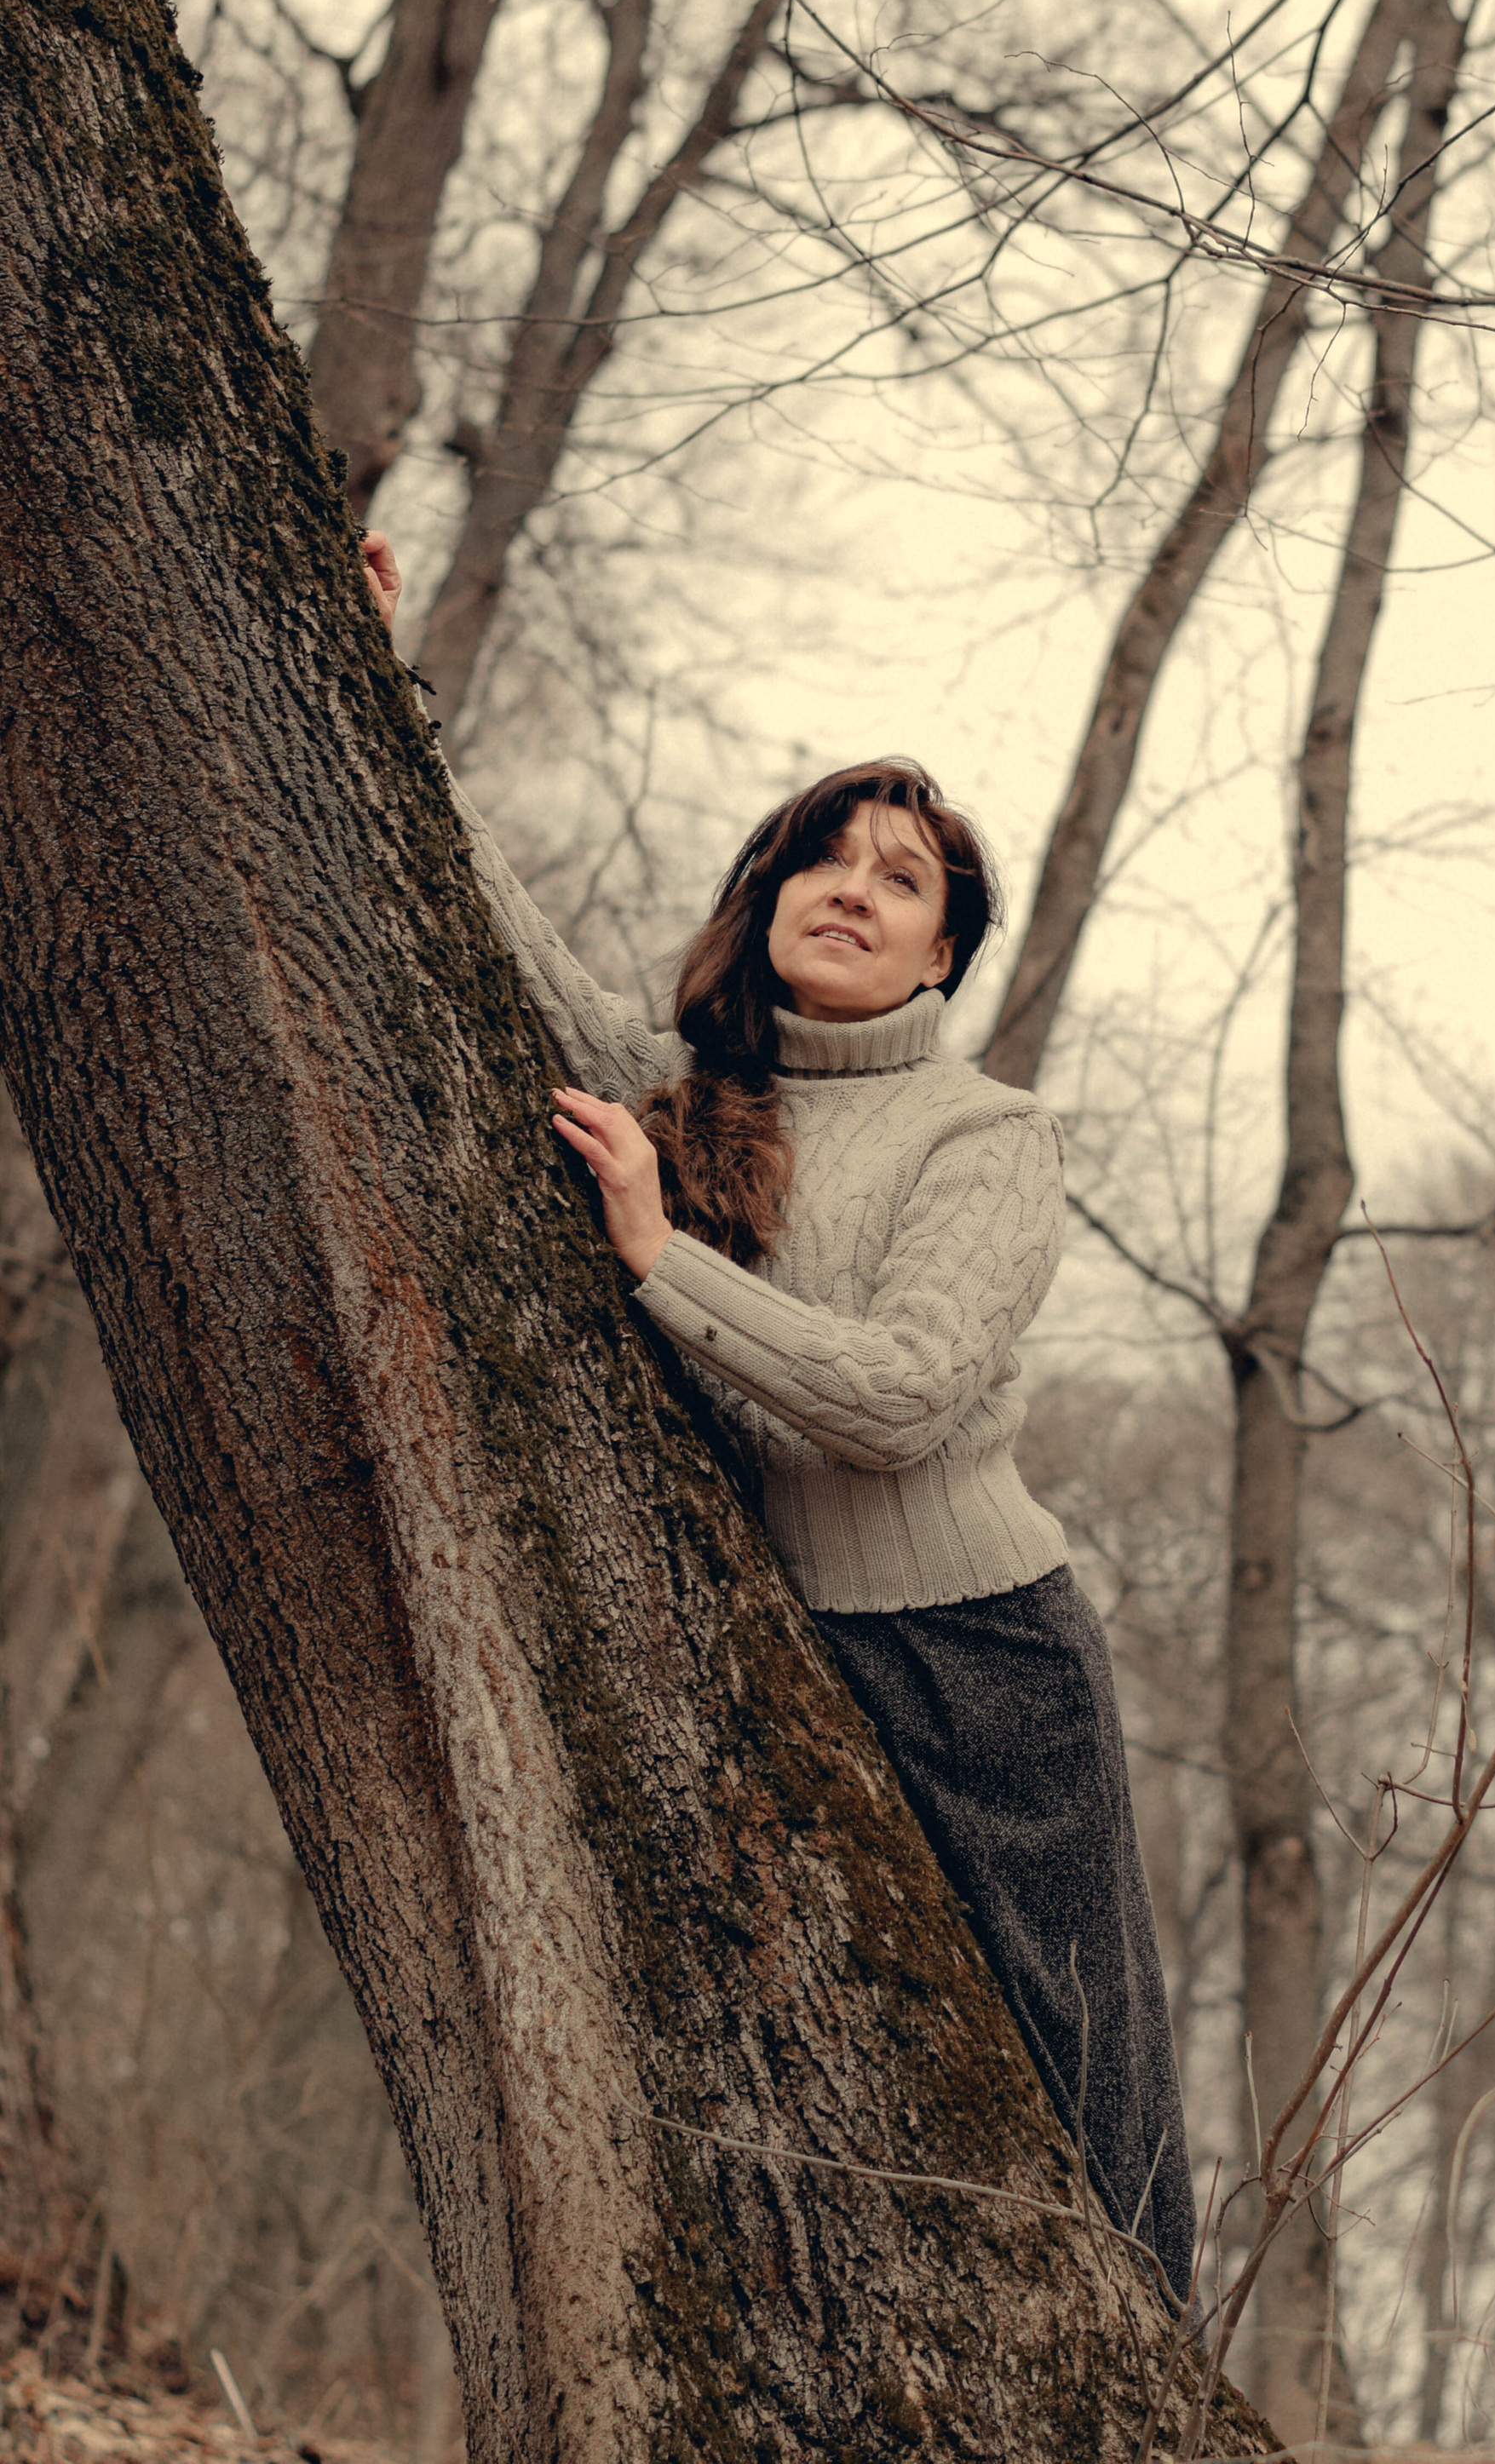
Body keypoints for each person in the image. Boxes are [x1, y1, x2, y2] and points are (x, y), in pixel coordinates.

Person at [359, 532, 1195, 2310]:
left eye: (899, 878)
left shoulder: (988, 1139)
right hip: (789, 1652)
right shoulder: (691, 1089)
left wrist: (659, 1252)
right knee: (862, 2082)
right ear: (767, 893)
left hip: (985, 1665)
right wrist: (376, 689)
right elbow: (486, 932)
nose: (848, 885)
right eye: (820, 852)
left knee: (1071, 2096)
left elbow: (895, 1403)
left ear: (943, 949)